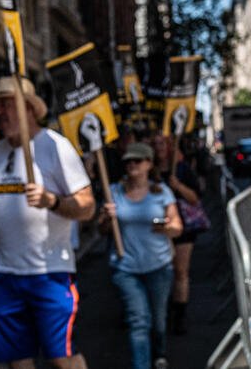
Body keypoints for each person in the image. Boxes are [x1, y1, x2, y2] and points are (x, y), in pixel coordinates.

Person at [0, 76, 95, 369]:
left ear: (29, 110)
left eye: (6, 105)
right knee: (17, 361)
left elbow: (87, 207)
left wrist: (53, 201)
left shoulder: (55, 146)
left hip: (49, 273)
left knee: (62, 357)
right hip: (3, 276)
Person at [98, 142, 182, 369]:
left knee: (158, 320)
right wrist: (106, 217)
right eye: (128, 161)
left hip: (159, 266)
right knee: (138, 321)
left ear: (149, 164)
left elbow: (177, 227)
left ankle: (160, 352)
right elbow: (101, 230)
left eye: (137, 160)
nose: (132, 165)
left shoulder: (162, 192)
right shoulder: (113, 192)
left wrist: (166, 227)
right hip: (126, 268)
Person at [149, 133, 203, 335]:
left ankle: (179, 315)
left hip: (183, 228)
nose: (159, 147)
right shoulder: (148, 173)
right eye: (155, 143)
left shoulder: (182, 169)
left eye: (162, 143)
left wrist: (177, 186)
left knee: (180, 271)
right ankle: (161, 312)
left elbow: (195, 198)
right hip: (156, 228)